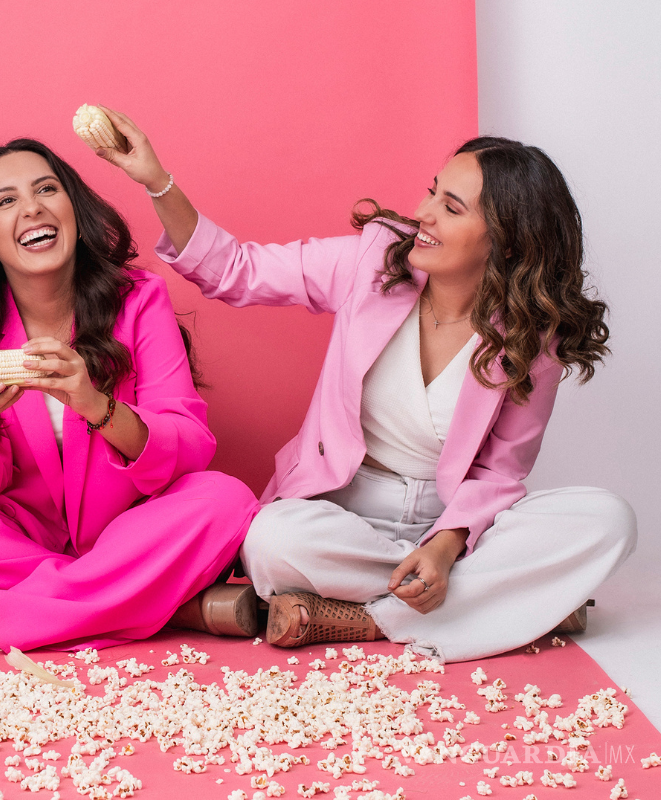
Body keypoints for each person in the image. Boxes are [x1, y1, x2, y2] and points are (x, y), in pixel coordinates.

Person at [94, 107, 636, 661]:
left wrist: (448, 546)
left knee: (609, 520)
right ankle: (503, 603)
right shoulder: (375, 262)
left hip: (456, 524)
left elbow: (502, 471)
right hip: (344, 513)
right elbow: (236, 268)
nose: (423, 214)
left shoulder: (531, 334)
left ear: (509, 242)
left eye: (450, 208)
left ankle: (371, 619)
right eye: (432, 193)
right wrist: (155, 180)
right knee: (271, 542)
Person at [0, 139, 260, 656]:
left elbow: (190, 444)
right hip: (27, 540)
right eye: (5, 200)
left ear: (74, 213)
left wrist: (95, 404)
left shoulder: (139, 299)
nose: (32, 207)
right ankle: (162, 604)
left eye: (47, 189)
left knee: (224, 500)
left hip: (132, 527)